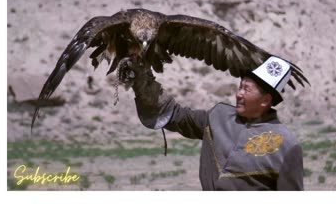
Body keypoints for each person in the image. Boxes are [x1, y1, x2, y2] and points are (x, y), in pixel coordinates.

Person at [127, 56, 304, 191]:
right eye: (240, 87)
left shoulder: (287, 145)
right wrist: (143, 84)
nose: (239, 94)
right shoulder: (218, 115)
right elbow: (177, 116)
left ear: (265, 100)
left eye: (246, 89)